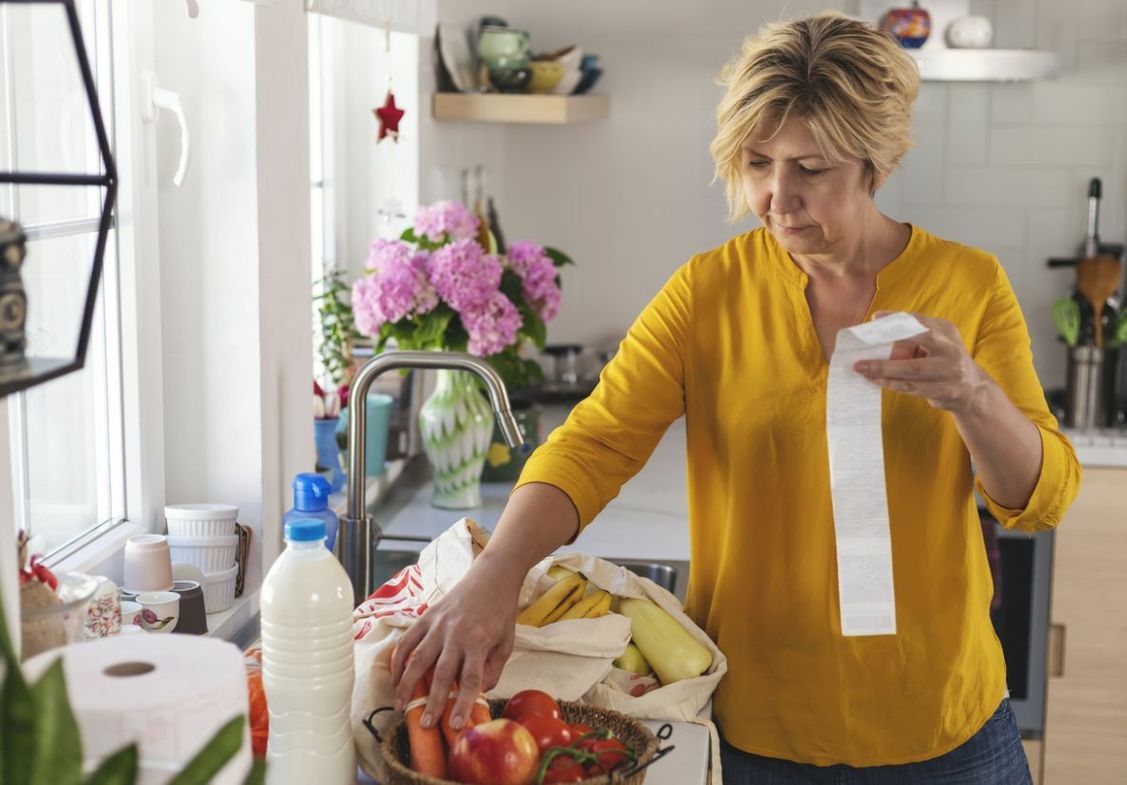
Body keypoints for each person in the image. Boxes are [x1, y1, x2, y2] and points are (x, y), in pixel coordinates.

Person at [391, 12, 1080, 783]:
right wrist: (498, 571)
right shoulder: (708, 292)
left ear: (874, 162)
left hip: (944, 726)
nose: (777, 197)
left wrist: (974, 396)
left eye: (810, 168)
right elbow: (596, 440)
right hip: (756, 731)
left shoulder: (969, 285)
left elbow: (1040, 497)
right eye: (757, 163)